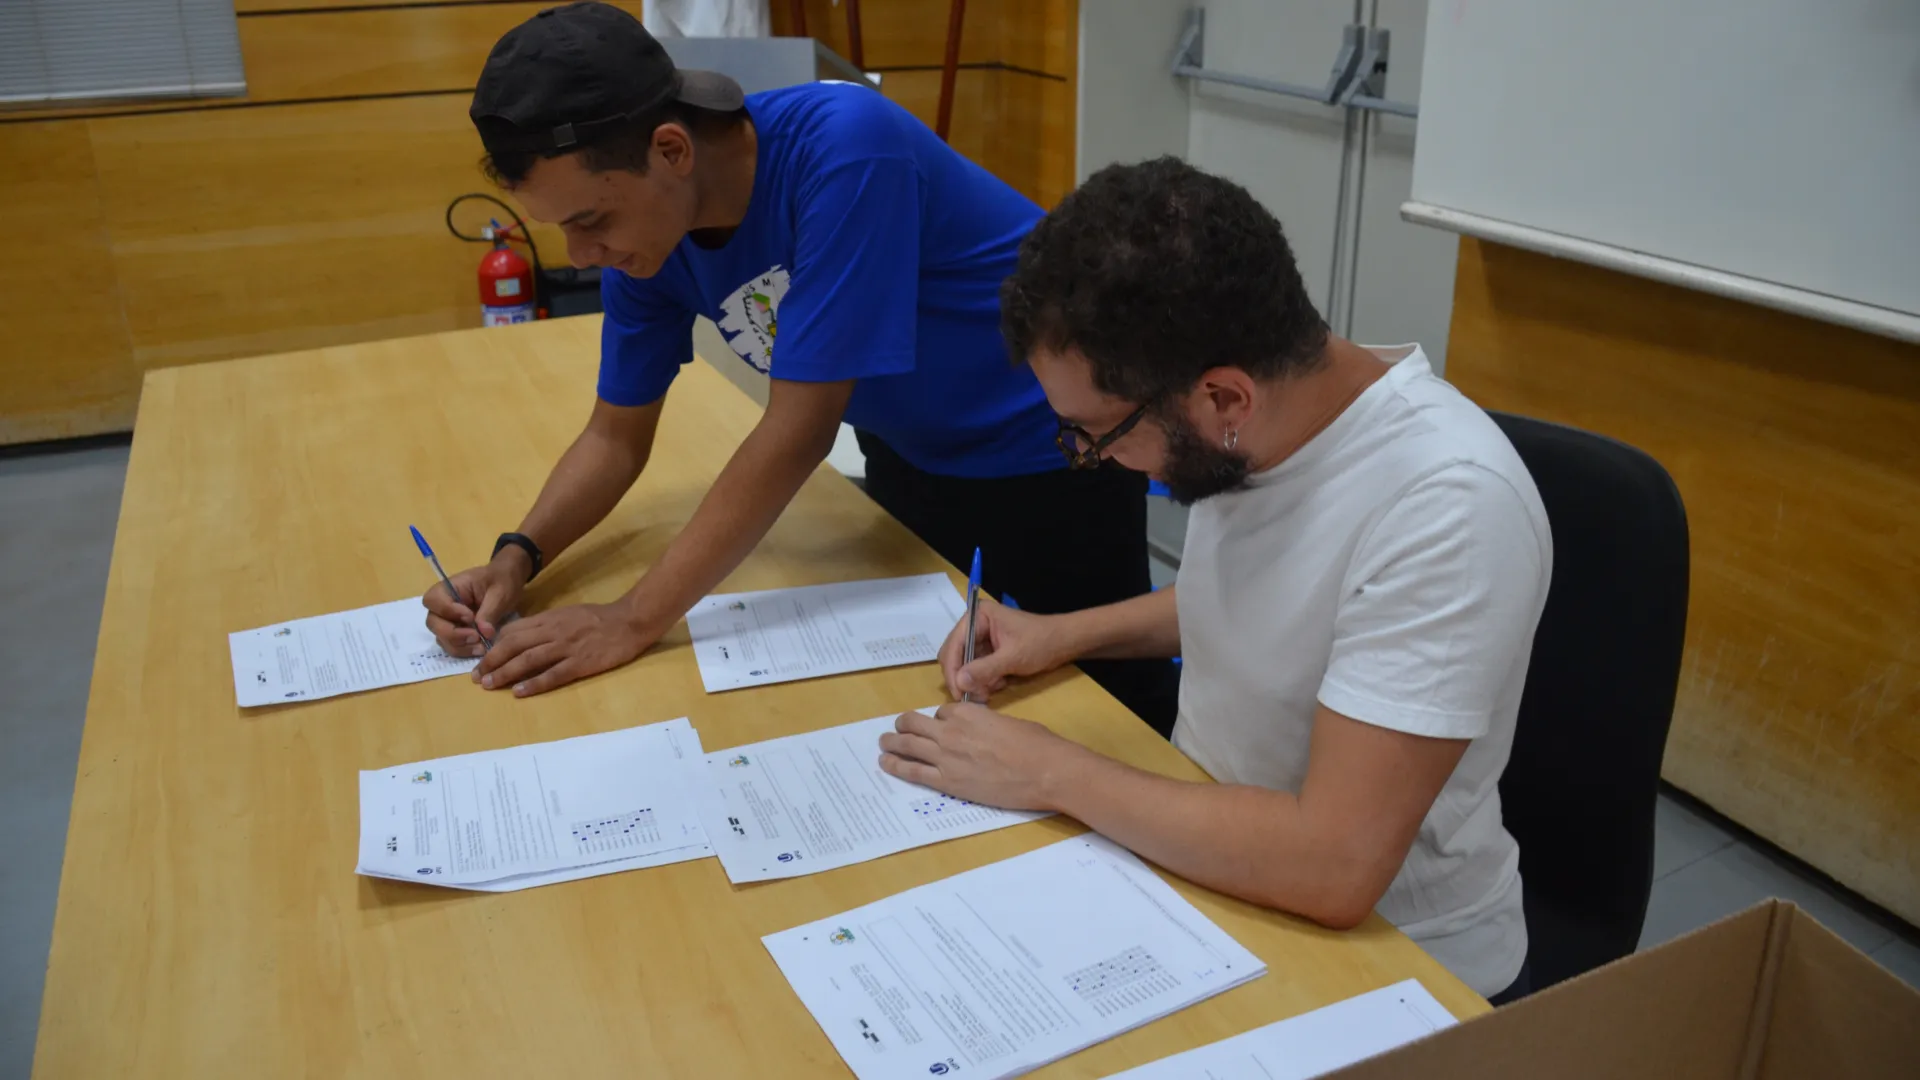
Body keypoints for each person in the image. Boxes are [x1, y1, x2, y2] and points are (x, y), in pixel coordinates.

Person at [875, 158, 1553, 1003]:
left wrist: (1050, 772)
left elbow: (1334, 865)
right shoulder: (1264, 421)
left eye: (1095, 435)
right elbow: (1275, 603)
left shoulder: (1447, 506)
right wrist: (1063, 633)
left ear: (1224, 400)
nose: (1091, 459)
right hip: (1207, 866)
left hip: (1394, 963)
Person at [426, 2, 1174, 724]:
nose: (583, 253)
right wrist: (518, 557)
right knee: (943, 698)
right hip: (912, 457)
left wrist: (632, 619)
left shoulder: (845, 150)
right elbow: (614, 436)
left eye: (591, 220)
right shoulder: (646, 243)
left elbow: (799, 430)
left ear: (671, 150)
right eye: (563, 228)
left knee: (1110, 713)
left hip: (1056, 458)